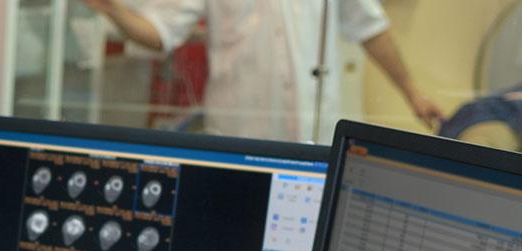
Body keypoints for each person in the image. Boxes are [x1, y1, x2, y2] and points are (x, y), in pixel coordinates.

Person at [83, 0, 445, 142]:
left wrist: (412, 92)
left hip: (314, 141)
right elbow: (160, 33)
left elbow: (370, 29)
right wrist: (111, 9)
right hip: (239, 142)